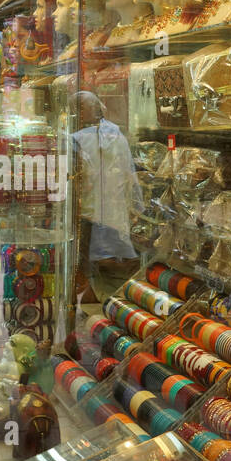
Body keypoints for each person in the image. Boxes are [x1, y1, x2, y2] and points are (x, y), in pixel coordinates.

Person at [71, 91, 139, 303]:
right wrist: (136, 206)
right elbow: (130, 175)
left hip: (89, 213)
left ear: (82, 112)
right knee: (105, 258)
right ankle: (102, 297)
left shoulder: (76, 139)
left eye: (78, 110)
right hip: (113, 211)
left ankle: (96, 297)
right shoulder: (117, 135)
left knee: (90, 261)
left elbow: (75, 182)